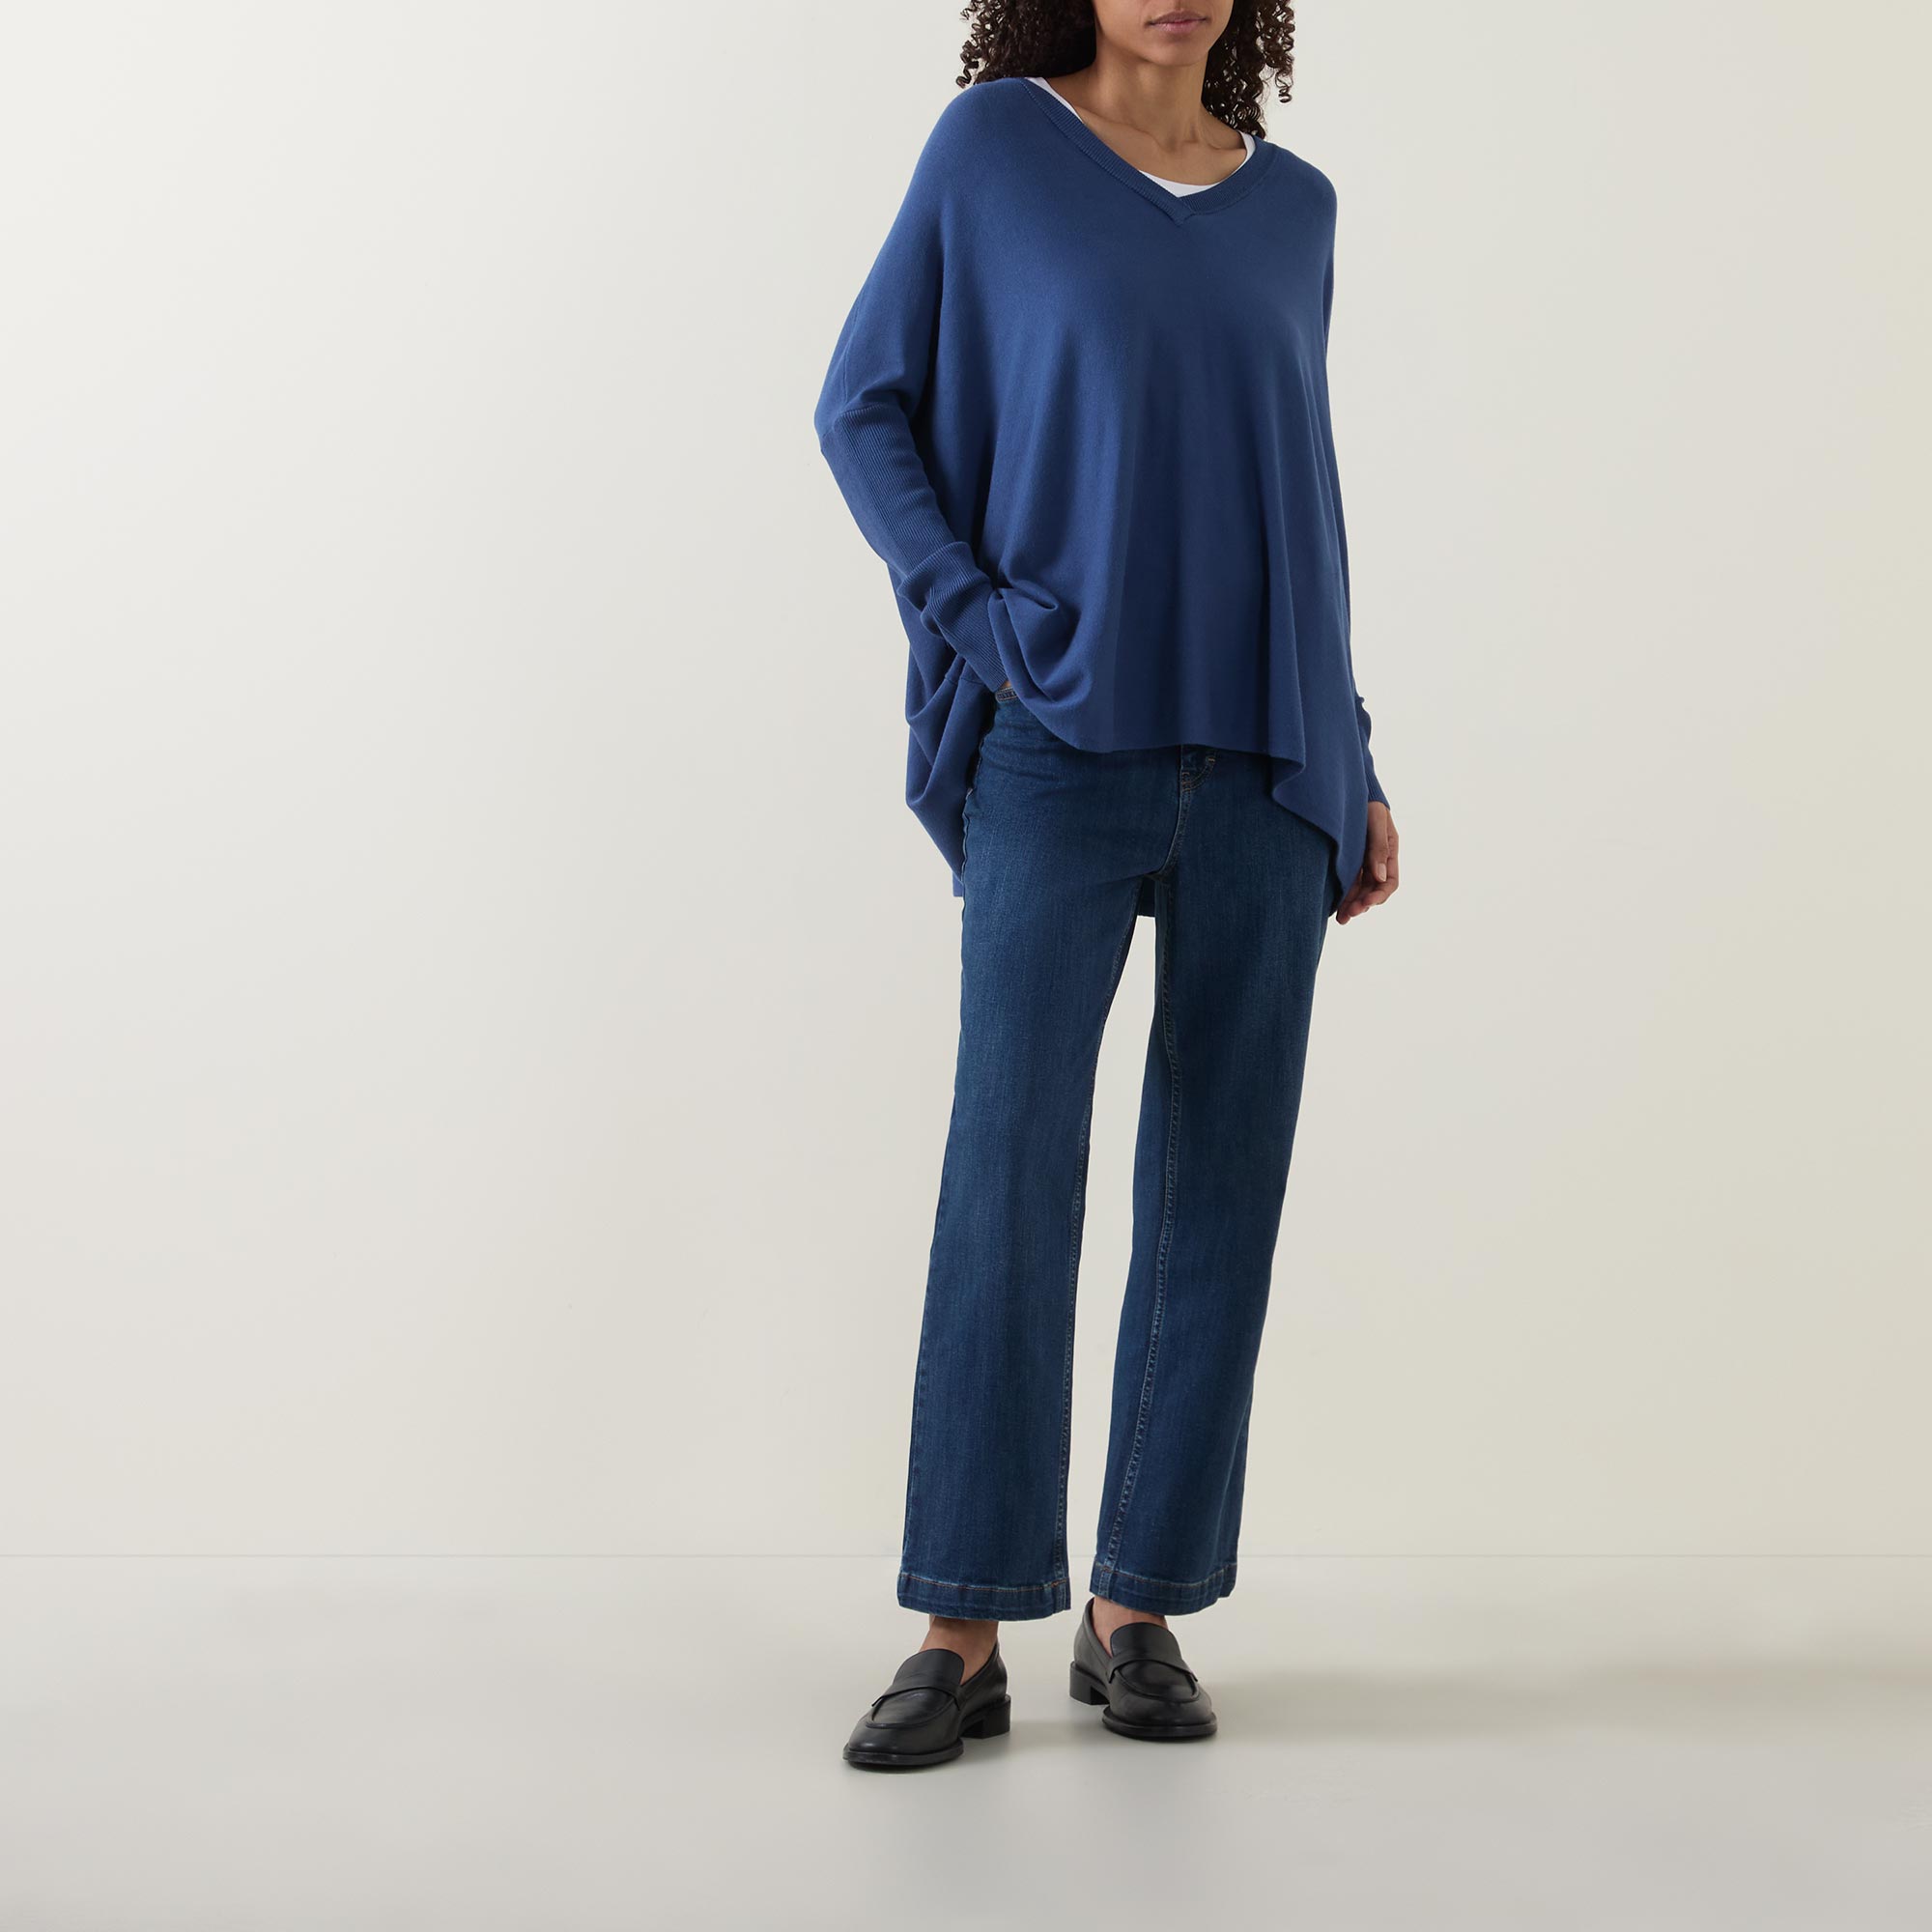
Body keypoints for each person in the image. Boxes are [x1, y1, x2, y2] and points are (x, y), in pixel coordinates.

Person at [812, 0, 1400, 1770]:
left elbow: (1300, 492)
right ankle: (963, 1626)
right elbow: (863, 407)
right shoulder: (996, 149)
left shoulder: (1295, 207)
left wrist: (1355, 748)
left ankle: (1137, 1610)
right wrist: (975, 618)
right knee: (1010, 1170)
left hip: (1267, 761)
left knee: (1219, 1188)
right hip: (1058, 743)